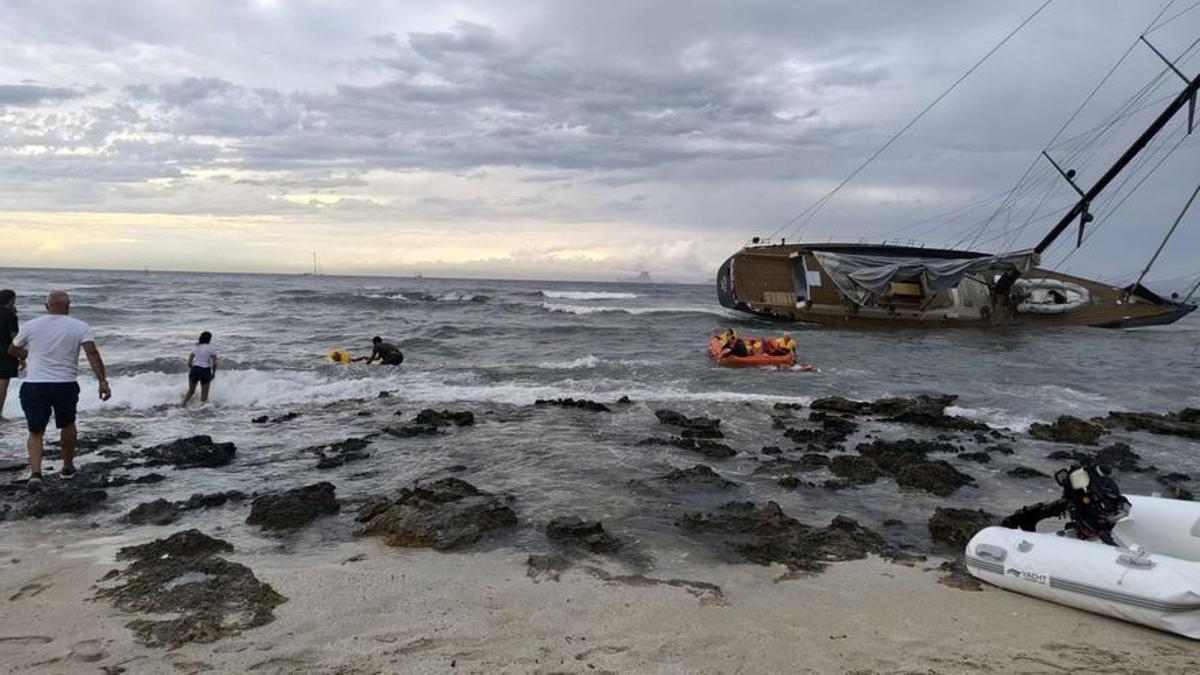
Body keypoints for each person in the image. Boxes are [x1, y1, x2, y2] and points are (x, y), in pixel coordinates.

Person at [7, 291, 111, 487]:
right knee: (68, 424)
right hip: (65, 384)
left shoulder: (31, 325)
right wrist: (102, 381)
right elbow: (92, 353)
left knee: (35, 431)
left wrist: (28, 355)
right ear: (68, 305)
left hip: (35, 385)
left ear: (47, 306)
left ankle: (36, 473)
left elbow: (12, 350)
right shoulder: (80, 326)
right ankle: (67, 467)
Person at [1000, 461, 1130, 545]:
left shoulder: (1102, 490)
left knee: (1050, 509)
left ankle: (1023, 524)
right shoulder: (1087, 486)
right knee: (1045, 510)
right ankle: (1019, 525)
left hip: (1091, 513)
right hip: (1083, 510)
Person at [181, 331, 218, 407]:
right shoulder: (211, 348)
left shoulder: (196, 346)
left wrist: (192, 368)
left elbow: (190, 360)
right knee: (204, 396)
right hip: (205, 371)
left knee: (191, 391)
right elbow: (214, 363)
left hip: (195, 369)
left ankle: (182, 406)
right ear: (209, 339)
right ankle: (201, 411)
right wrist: (213, 373)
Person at [0, 289, 19, 422]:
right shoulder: (10, 315)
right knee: (2, 384)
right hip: (5, 353)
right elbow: (15, 339)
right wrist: (20, 356)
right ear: (11, 300)